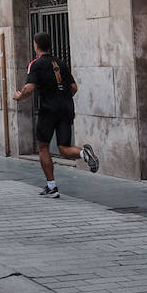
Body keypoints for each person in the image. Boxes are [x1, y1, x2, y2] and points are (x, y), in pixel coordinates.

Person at [13, 32, 99, 196]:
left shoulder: (35, 64)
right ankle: (83, 153)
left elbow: (29, 88)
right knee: (64, 147)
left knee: (43, 146)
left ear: (36, 45)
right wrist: (63, 98)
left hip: (48, 109)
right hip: (66, 107)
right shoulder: (61, 63)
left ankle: (52, 186)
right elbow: (73, 88)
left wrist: (19, 96)